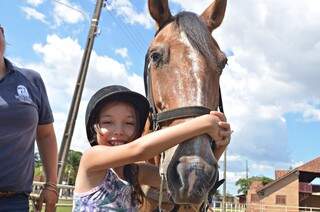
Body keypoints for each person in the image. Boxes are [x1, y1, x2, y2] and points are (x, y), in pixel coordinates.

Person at [73, 85, 231, 211]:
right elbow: (139, 150)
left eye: (129, 123)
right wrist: (204, 124)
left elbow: (187, 179)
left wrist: (219, 147)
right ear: (94, 127)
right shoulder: (91, 159)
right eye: (108, 122)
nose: (119, 131)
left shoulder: (134, 173)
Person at [0, 24, 58, 211]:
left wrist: (51, 184)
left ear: (2, 33)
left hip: (14, 201)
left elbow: (46, 135)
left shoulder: (30, 80)